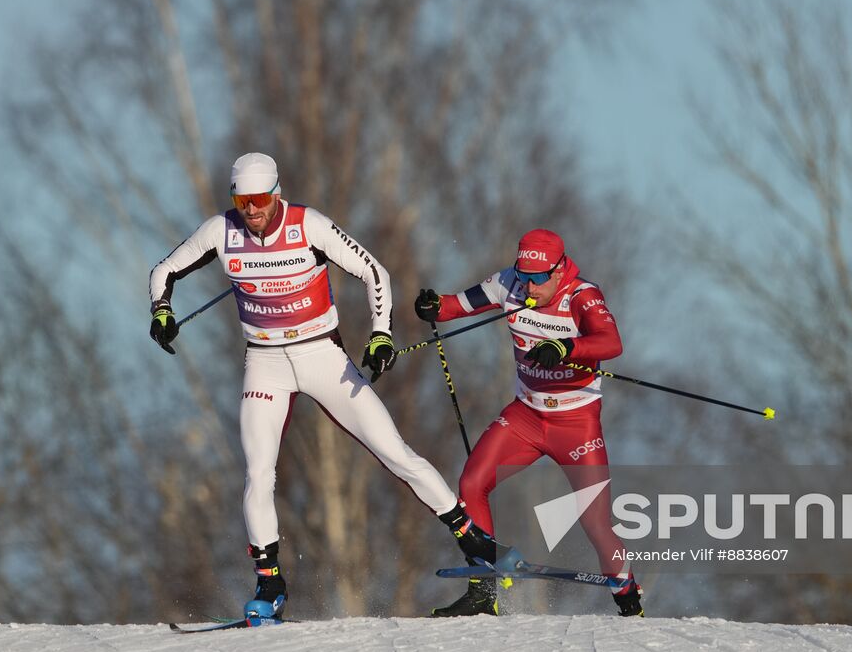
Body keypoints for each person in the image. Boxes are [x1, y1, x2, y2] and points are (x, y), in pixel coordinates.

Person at [148, 152, 502, 622]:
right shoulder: (221, 231)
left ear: (276, 195)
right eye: (240, 199)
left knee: (395, 452)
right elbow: (164, 270)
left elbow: (375, 272)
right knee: (258, 473)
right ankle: (269, 584)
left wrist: (381, 333)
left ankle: (473, 541)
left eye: (258, 199)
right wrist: (161, 311)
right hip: (265, 363)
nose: (250, 210)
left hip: (322, 356)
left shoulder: (308, 225)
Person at [415, 228, 643, 617]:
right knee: (471, 484)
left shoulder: (582, 295)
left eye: (538, 279)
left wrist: (568, 346)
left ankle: (628, 598)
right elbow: (455, 306)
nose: (529, 286)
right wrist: (433, 305)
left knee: (594, 520)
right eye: (524, 276)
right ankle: (483, 593)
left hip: (576, 422)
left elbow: (611, 342)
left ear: (559, 271)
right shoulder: (509, 283)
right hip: (526, 416)